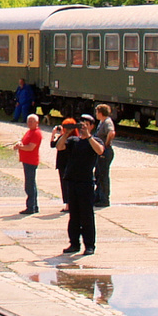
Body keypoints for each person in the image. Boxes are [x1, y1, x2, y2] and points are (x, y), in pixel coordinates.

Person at [57, 114, 105, 256]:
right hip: (72, 181)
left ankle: (89, 245)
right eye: (81, 123)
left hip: (86, 182)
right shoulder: (73, 140)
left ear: (91, 126)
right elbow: (59, 147)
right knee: (74, 215)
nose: (83, 126)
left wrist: (88, 136)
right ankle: (74, 243)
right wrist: (65, 134)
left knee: (87, 215)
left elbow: (100, 150)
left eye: (86, 124)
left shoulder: (95, 140)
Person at [12, 114, 43, 214]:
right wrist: (19, 143)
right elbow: (23, 140)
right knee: (30, 183)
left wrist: (20, 147)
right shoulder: (30, 131)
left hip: (31, 161)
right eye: (28, 121)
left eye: (32, 121)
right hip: (26, 160)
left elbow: (30, 147)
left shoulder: (37, 133)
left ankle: (31, 207)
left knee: (29, 185)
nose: (29, 123)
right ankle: (34, 206)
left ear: (37, 123)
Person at [93, 103, 117, 208]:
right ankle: (97, 196)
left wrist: (106, 145)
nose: (96, 114)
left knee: (103, 175)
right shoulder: (101, 122)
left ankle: (104, 199)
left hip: (105, 152)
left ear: (101, 113)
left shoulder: (107, 122)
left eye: (97, 112)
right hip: (100, 152)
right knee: (98, 174)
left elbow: (111, 133)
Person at [50, 119, 75, 212]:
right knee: (66, 185)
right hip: (65, 164)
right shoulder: (71, 137)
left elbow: (56, 145)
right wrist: (54, 134)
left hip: (65, 164)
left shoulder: (69, 138)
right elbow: (52, 144)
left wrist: (59, 134)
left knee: (66, 185)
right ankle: (69, 204)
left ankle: (69, 205)